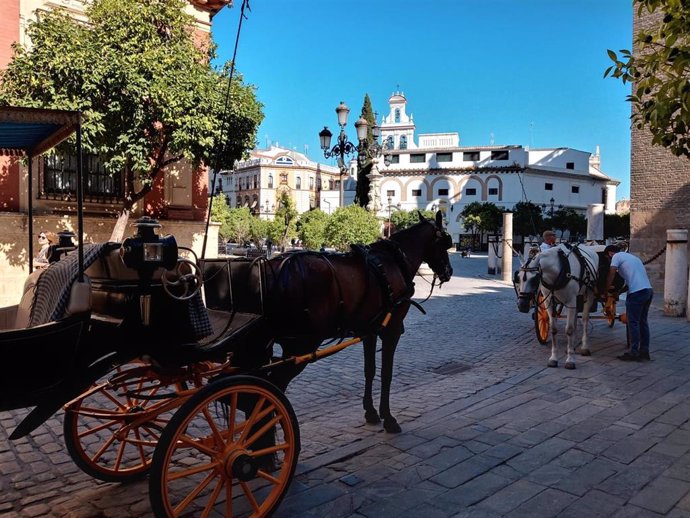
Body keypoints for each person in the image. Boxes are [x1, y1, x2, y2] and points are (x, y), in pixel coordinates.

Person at [605, 244, 653, 361]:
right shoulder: (632, 258)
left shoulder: (616, 256)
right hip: (648, 290)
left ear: (610, 253)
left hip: (637, 293)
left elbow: (611, 274)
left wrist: (605, 289)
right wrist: (619, 292)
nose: (609, 261)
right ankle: (644, 351)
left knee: (633, 323)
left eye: (608, 258)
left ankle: (634, 352)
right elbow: (630, 281)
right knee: (643, 322)